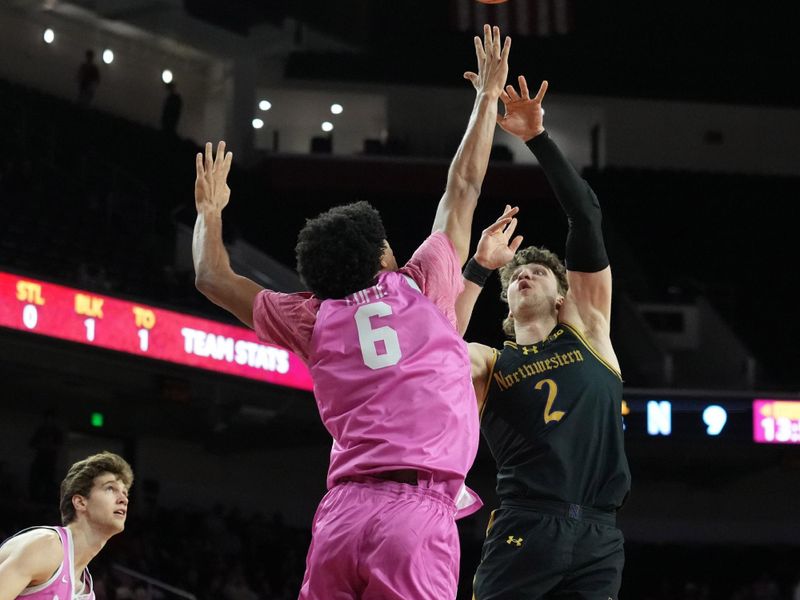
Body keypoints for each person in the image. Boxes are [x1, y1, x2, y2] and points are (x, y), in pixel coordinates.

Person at [193, 24, 511, 600]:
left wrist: (209, 212)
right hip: (416, 514)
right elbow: (462, 185)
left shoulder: (311, 317)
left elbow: (212, 277)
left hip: (340, 515)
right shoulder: (421, 284)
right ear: (382, 254)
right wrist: (487, 96)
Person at [461, 76, 631, 599]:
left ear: (564, 297)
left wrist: (537, 138)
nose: (524, 275)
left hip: (601, 534)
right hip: (525, 524)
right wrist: (477, 267)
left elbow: (586, 215)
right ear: (507, 299)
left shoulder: (590, 333)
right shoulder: (491, 363)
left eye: (538, 272)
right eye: (515, 275)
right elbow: (431, 343)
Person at [0, 451, 133, 600]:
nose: (124, 499)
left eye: (125, 493)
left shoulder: (86, 593)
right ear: (81, 502)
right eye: (110, 488)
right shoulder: (46, 547)